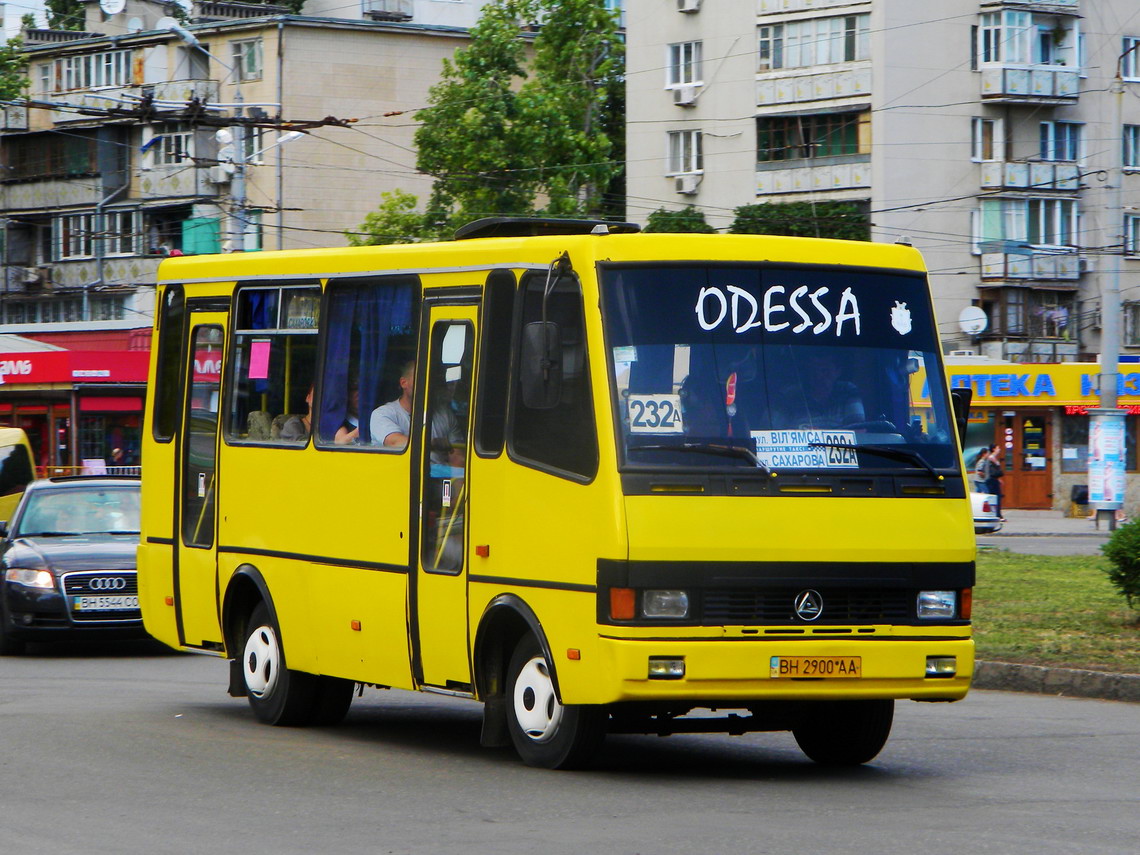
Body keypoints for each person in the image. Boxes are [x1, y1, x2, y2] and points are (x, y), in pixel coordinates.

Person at [369, 361, 463, 462]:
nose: (427, 384)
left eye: (432, 380)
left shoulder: (445, 414)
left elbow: (457, 455)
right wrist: (432, 443)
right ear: (403, 383)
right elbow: (394, 442)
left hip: (438, 475)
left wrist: (457, 477)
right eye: (422, 378)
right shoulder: (383, 414)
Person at [778, 351, 865, 429]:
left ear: (838, 371)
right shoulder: (790, 395)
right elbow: (771, 430)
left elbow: (858, 429)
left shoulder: (847, 391)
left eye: (825, 371)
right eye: (813, 371)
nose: (818, 377)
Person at [982, 444, 1006, 522]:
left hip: (991, 480)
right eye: (997, 448)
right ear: (993, 449)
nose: (999, 450)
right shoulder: (992, 458)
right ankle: (997, 515)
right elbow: (994, 471)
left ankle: (994, 514)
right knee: (996, 497)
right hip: (991, 480)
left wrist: (998, 479)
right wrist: (998, 466)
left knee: (993, 497)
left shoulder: (990, 458)